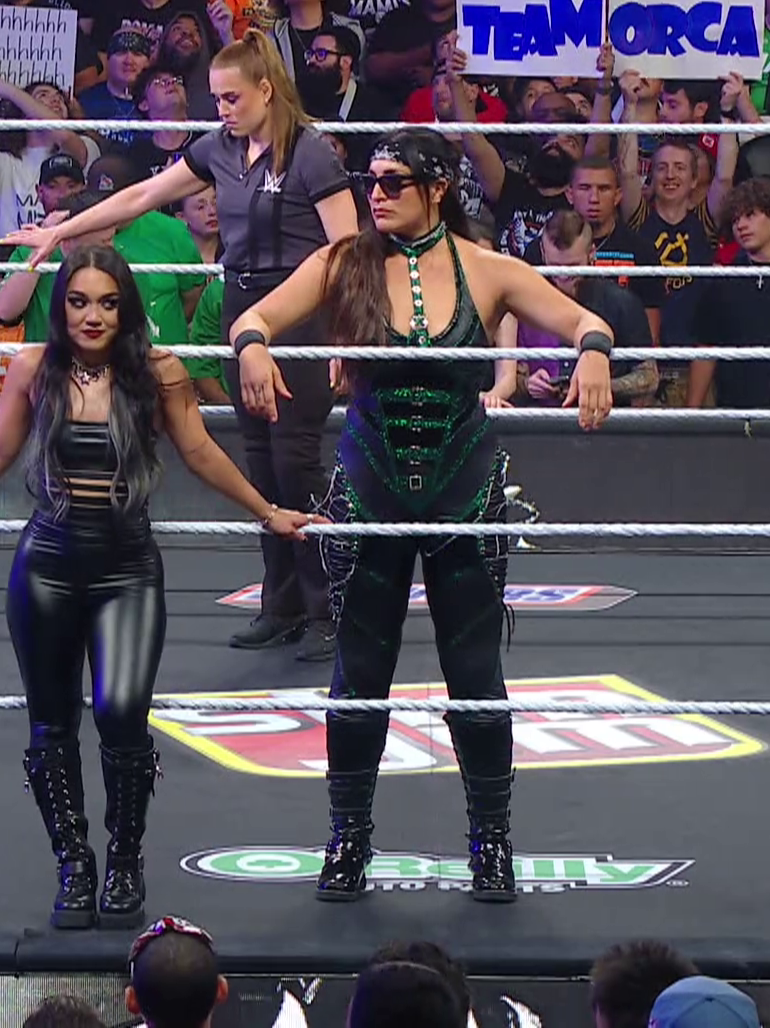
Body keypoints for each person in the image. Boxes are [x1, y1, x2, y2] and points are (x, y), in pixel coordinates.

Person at [0, 245, 320, 931]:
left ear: (127, 309)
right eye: (80, 302)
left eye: (108, 303)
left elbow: (200, 451)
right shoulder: (34, 367)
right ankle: (73, 862)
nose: (93, 316)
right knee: (51, 722)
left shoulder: (158, 371)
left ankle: (123, 857)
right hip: (48, 564)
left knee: (121, 714)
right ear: (61, 307)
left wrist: (269, 513)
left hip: (127, 564)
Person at [228, 128, 614, 902]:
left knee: (476, 675)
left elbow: (584, 320)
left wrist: (596, 352)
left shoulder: (487, 267)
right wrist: (252, 347)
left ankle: (492, 842)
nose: (375, 194)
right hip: (370, 487)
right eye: (370, 180)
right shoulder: (344, 262)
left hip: (461, 488)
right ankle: (347, 840)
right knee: (358, 673)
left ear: (438, 188)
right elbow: (253, 318)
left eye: (393, 181)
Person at [4, 30, 359, 662]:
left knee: (297, 459)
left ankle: (329, 605)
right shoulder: (220, 147)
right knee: (260, 459)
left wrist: (344, 336)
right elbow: (142, 195)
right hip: (241, 307)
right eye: (216, 98)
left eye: (231, 97)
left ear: (266, 91)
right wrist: (63, 231)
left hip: (300, 311)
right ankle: (281, 604)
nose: (220, 108)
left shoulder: (310, 154)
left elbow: (346, 252)